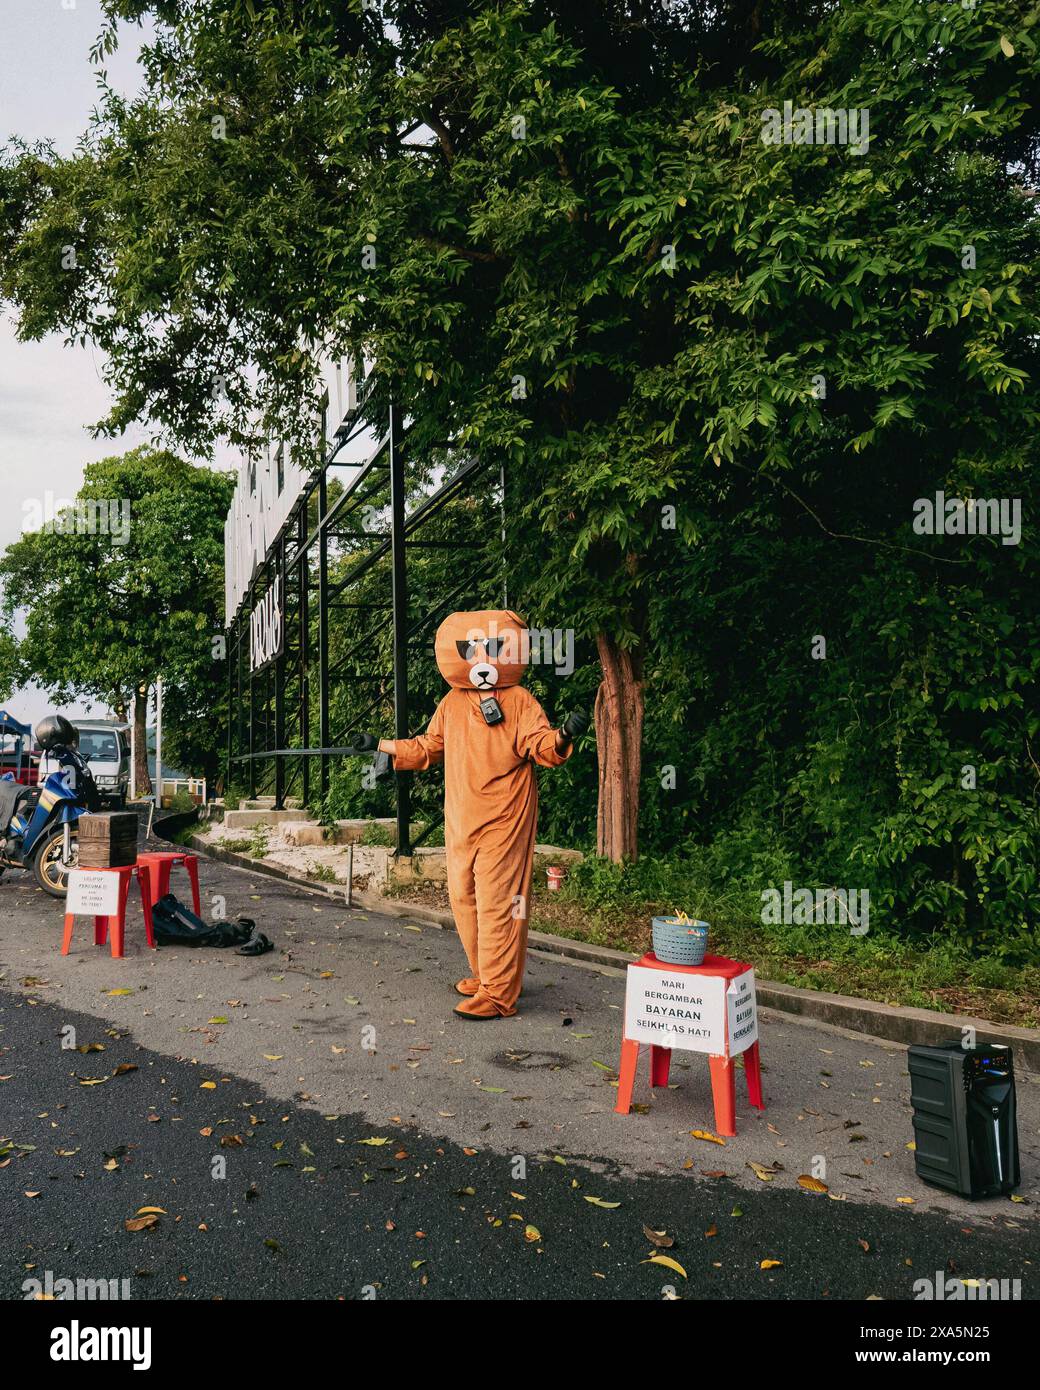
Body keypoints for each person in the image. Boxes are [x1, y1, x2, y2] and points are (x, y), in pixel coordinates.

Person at [357, 610, 587, 1020]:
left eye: (493, 648)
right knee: (463, 898)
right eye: (470, 649)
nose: (481, 659)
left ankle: (499, 994)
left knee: (500, 902)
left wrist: (563, 736)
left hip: (505, 816)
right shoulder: (453, 702)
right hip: (462, 818)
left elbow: (541, 746)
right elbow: (428, 747)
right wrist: (382, 745)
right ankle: (486, 975)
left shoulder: (518, 701)